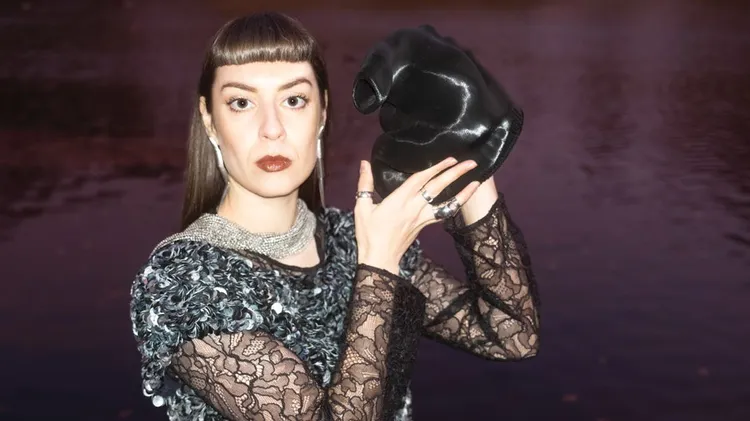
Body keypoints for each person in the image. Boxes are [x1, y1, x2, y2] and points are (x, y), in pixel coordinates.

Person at [129, 12, 540, 421]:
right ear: (210, 121)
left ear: (322, 112)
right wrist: (379, 264)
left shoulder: (350, 238)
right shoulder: (179, 280)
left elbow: (511, 335)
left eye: (294, 100)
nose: (272, 128)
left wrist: (469, 150)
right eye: (241, 102)